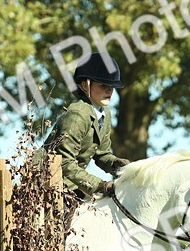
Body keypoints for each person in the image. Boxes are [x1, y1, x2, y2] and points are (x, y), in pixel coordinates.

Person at [44, 55, 132, 200]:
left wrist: (117, 164)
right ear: (85, 85)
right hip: (46, 186)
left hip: (70, 186)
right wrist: (100, 185)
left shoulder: (105, 113)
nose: (109, 91)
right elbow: (64, 162)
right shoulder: (77, 115)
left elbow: (101, 154)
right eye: (103, 85)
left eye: (111, 87)